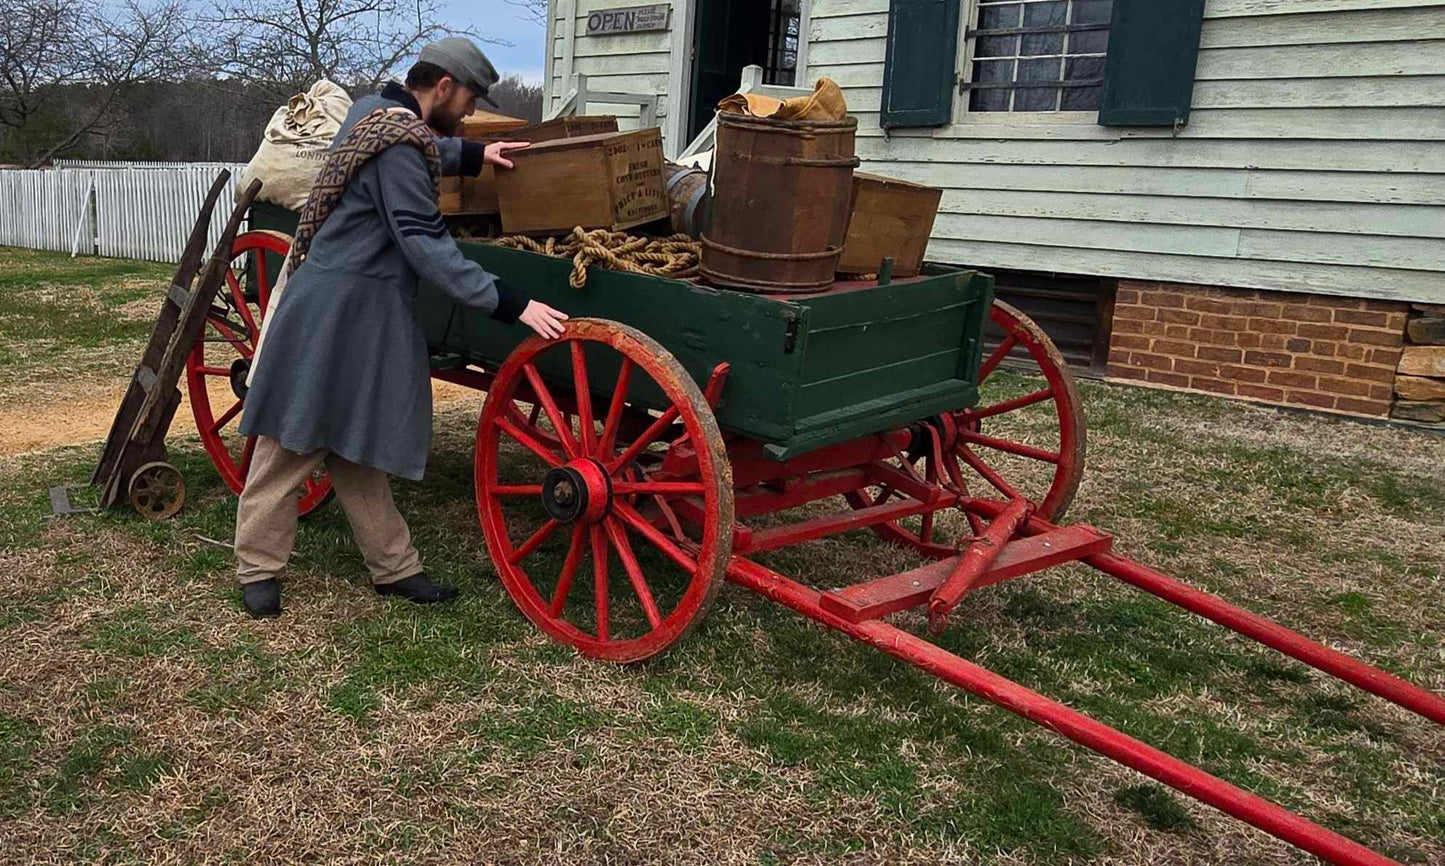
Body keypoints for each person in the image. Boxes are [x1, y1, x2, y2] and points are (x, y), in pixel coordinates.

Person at [232, 38, 568, 619]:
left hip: (359, 303)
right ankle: (257, 569)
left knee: (353, 441)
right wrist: (510, 302)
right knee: (293, 436)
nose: (469, 111)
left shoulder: (374, 110)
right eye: (467, 99)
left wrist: (475, 156)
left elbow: (419, 143)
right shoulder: (397, 144)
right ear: (442, 87)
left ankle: (394, 569)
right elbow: (424, 243)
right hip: (339, 308)